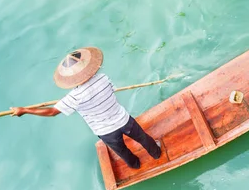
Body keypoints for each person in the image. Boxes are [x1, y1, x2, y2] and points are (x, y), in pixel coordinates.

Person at [10, 47, 161, 169]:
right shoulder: (103, 78)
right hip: (123, 120)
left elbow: (52, 112)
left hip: (105, 131)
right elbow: (110, 90)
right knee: (142, 137)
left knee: (122, 151)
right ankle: (156, 153)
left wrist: (24, 110)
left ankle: (135, 165)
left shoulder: (74, 97)